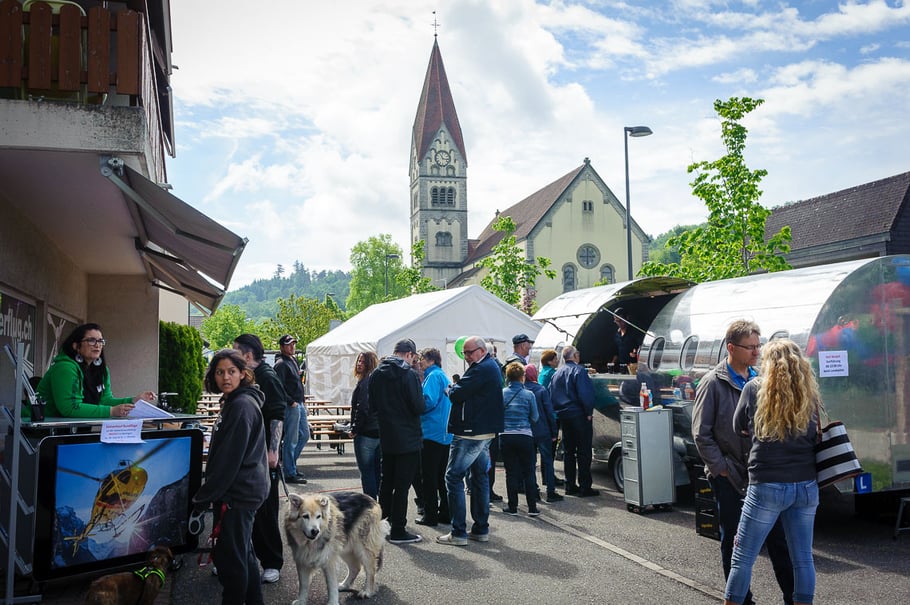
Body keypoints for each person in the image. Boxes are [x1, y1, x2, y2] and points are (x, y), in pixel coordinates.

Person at [692, 320, 794, 605]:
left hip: (763, 476)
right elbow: (701, 433)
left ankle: (792, 597)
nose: (756, 352)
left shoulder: (761, 379)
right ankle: (741, 600)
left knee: (779, 541)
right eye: (750, 347)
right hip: (730, 476)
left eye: (757, 346)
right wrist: (721, 469)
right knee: (735, 543)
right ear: (731, 347)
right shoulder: (713, 382)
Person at [724, 339, 820, 605]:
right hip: (806, 485)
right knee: (802, 558)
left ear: (768, 362)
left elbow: (737, 426)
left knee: (743, 556)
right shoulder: (808, 393)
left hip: (767, 484)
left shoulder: (754, 388)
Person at [192, 349, 269, 605]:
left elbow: (228, 462)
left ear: (243, 374)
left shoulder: (242, 406)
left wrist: (202, 499)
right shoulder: (233, 402)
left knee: (231, 562)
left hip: (240, 493)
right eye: (219, 372)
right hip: (242, 490)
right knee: (243, 554)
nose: (226, 377)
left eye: (231, 371)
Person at [436, 336, 504, 546]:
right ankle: (480, 528)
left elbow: (457, 394)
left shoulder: (480, 369)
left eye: (469, 352)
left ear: (482, 350)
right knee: (479, 478)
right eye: (464, 352)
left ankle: (458, 532)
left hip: (470, 432)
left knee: (453, 477)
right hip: (482, 431)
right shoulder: (489, 366)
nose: (465, 356)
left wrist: (450, 388)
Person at [232, 334, 287, 584]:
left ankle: (272, 562)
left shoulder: (268, 376)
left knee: (266, 510)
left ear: (247, 355)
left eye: (235, 352)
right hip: (249, 455)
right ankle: (244, 557)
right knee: (246, 509)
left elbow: (278, 414)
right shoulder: (247, 377)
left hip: (265, 456)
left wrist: (273, 451)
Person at [369, 338, 426, 544]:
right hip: (408, 436)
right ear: (410, 354)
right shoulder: (408, 374)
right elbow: (419, 406)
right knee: (402, 485)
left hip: (387, 434)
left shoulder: (376, 373)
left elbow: (372, 406)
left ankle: (382, 523)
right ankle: (399, 530)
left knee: (386, 482)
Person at [37, 323, 155, 419]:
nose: (97, 345)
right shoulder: (64, 368)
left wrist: (134, 400)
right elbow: (70, 408)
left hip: (74, 432)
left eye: (100, 341)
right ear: (76, 346)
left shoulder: (102, 370)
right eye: (91, 340)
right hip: (42, 433)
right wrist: (112, 411)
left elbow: (105, 400)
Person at [548, 346, 598, 497]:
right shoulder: (579, 371)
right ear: (575, 355)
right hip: (578, 414)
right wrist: (588, 412)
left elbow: (551, 393)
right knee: (583, 451)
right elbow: (585, 393)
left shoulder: (557, 373)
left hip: (564, 415)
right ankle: (585, 486)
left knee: (569, 451)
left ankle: (570, 485)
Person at [415, 348, 453, 527]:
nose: (420, 363)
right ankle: (446, 511)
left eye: (421, 359)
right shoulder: (443, 375)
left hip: (431, 431)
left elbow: (427, 401)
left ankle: (430, 515)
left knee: (429, 477)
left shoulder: (432, 376)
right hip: (444, 432)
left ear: (429, 360)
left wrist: (414, 406)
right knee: (440, 476)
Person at [499, 361, 540, 516]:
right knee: (529, 471)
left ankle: (512, 506)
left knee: (511, 472)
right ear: (523, 377)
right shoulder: (529, 395)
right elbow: (535, 417)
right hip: (525, 436)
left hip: (507, 436)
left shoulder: (502, 394)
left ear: (508, 377)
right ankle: (532, 508)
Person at [274, 334, 309, 485]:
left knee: (304, 435)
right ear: (282, 346)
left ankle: (290, 466)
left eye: (293, 344)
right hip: (291, 406)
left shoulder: (293, 361)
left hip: (299, 403)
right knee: (291, 439)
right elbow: (278, 386)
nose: (292, 347)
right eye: (289, 344)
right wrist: (291, 401)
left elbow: (297, 383)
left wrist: (302, 400)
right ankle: (289, 471)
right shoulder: (281, 364)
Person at [524, 364, 562, 502]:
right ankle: (551, 492)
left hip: (527, 431)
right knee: (547, 461)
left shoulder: (522, 390)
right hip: (543, 430)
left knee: (531, 463)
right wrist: (554, 432)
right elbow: (549, 412)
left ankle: (534, 491)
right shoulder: (541, 390)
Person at [351, 351, 381, 499]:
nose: (359, 364)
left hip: (366, 433)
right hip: (377, 431)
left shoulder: (365, 382)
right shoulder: (375, 380)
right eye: (358, 361)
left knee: (368, 472)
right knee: (376, 471)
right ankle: (380, 507)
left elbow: (362, 408)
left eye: (363, 361)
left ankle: (371, 507)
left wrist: (354, 429)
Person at [612, 307, 642, 372]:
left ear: (627, 318)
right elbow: (616, 352)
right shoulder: (617, 334)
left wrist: (635, 353)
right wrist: (612, 364)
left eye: (620, 320)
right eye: (616, 321)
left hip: (633, 367)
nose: (619, 323)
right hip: (621, 367)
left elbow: (641, 347)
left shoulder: (635, 332)